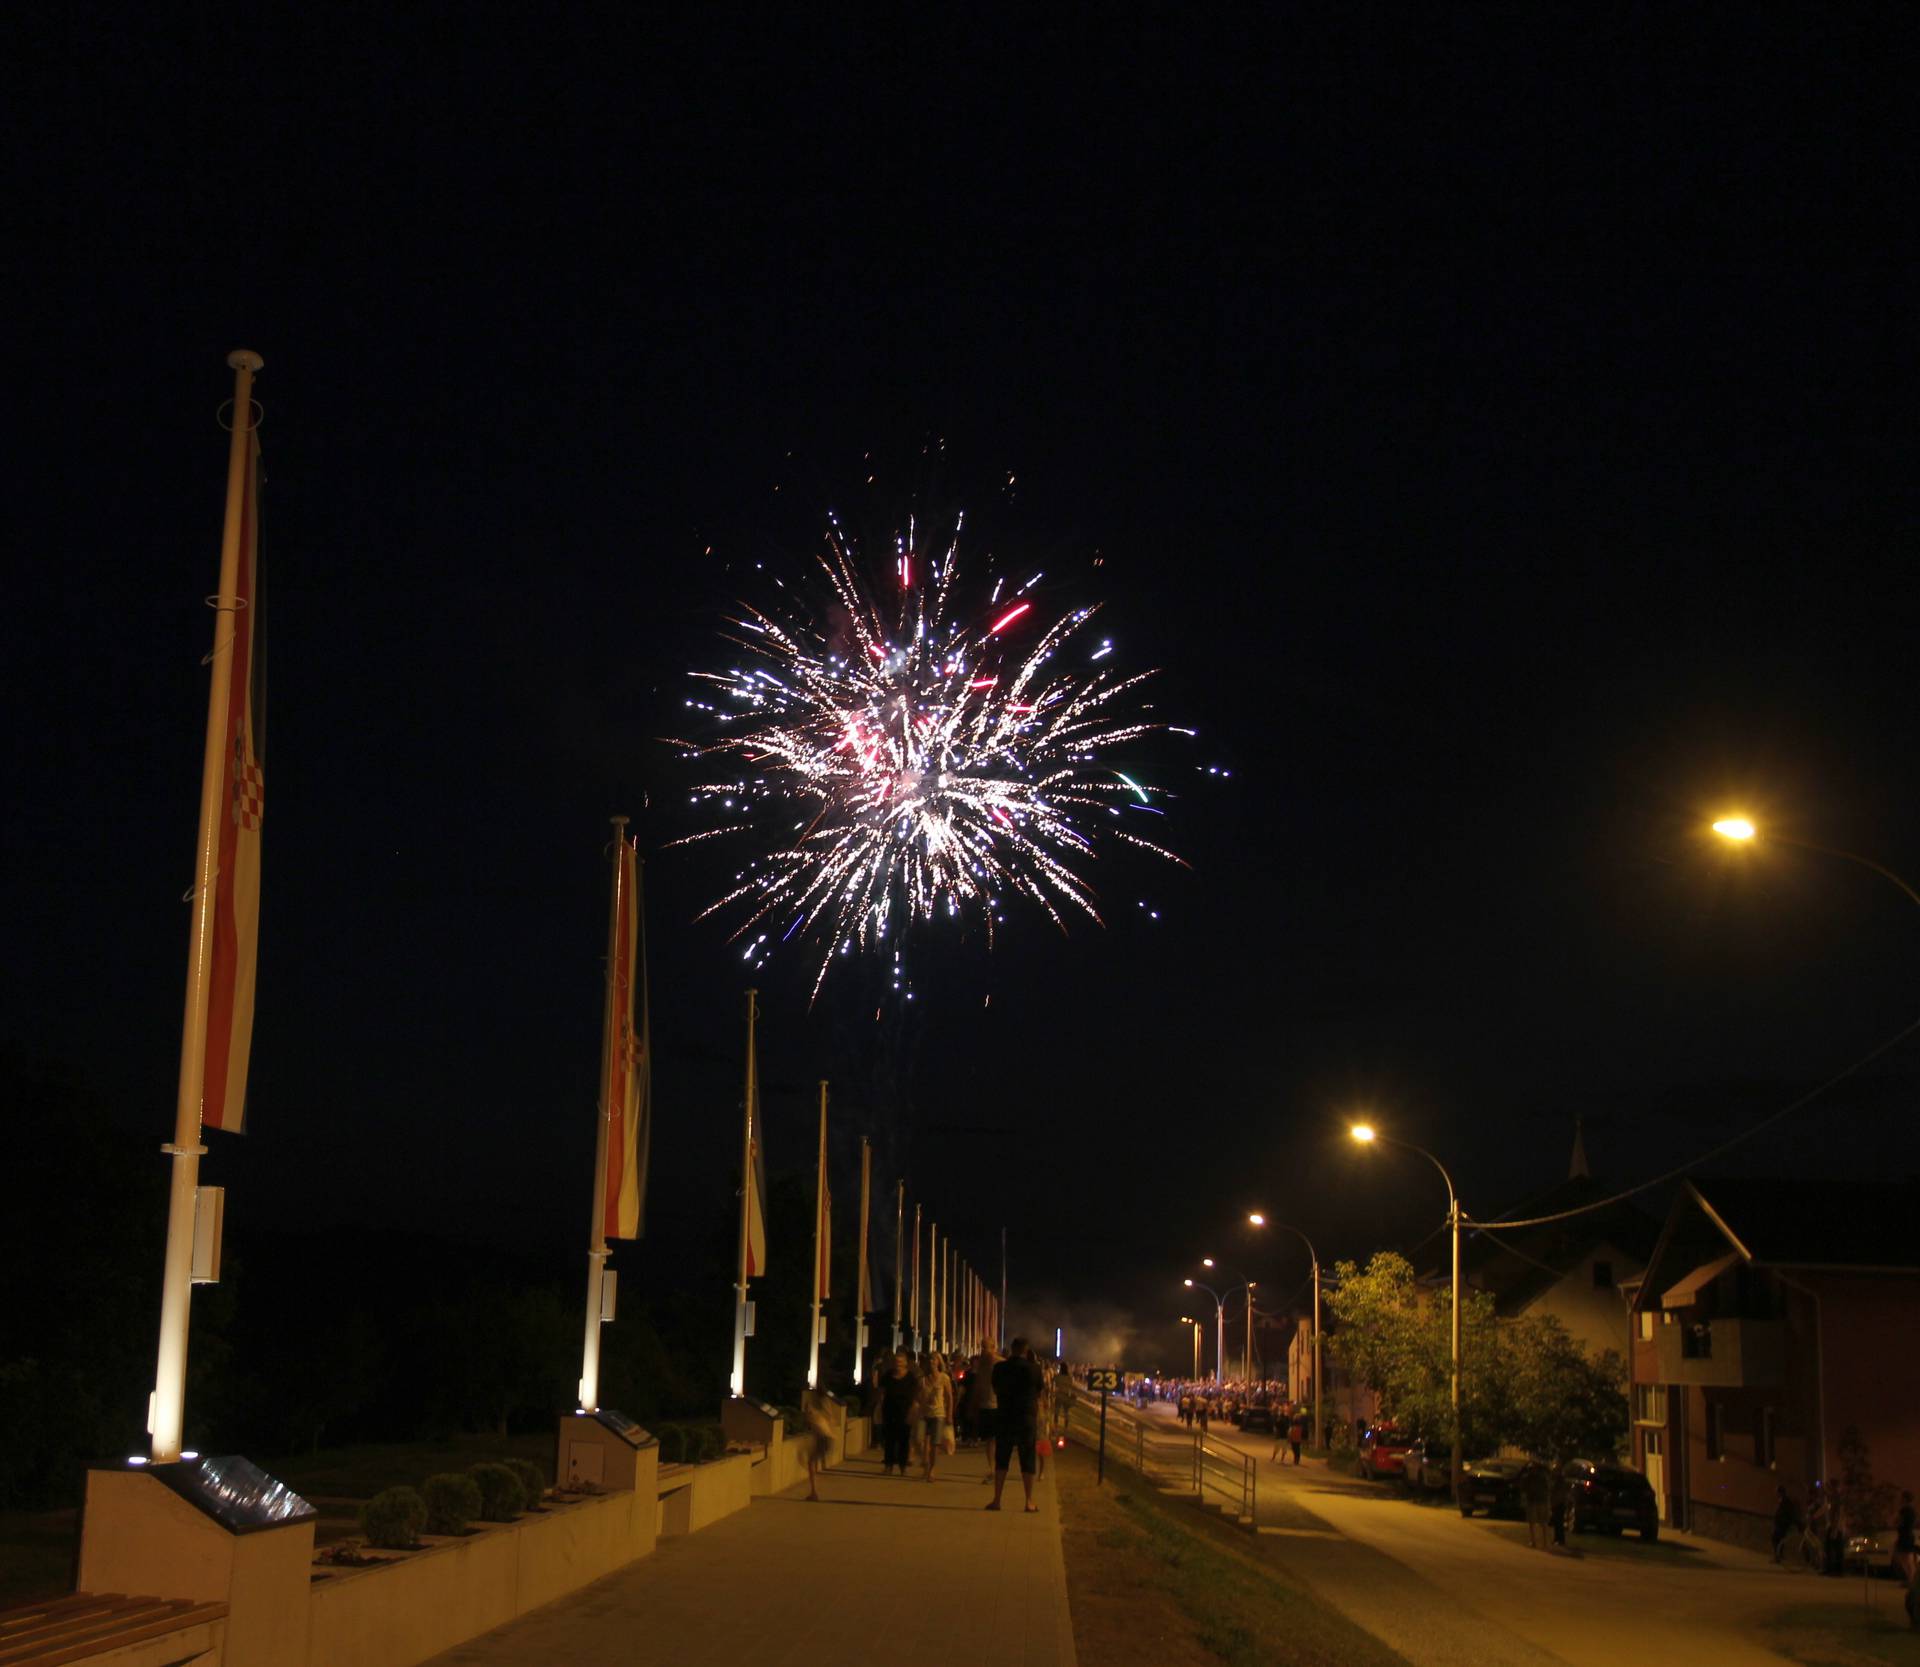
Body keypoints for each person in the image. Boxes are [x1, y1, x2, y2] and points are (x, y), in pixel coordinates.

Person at [986, 1337, 1046, 1513]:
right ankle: (1028, 1501)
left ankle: (997, 1500)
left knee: (1002, 1459)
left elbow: (995, 1389)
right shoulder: (1034, 1369)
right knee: (1027, 1459)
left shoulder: (999, 1368)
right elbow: (1038, 1392)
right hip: (1026, 1418)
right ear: (1026, 1351)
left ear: (1012, 1349)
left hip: (1004, 1416)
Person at [879, 1351, 917, 1475]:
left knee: (904, 1440)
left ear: (906, 1363)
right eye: (896, 1362)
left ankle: (903, 1466)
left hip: (905, 1412)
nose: (898, 1364)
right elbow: (882, 1392)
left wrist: (912, 1411)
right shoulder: (888, 1376)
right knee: (889, 1439)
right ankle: (888, 1465)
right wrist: (880, 1406)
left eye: (901, 1362)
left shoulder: (911, 1377)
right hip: (889, 1410)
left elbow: (914, 1396)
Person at [922, 1352, 956, 1482]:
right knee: (922, 1441)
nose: (932, 1362)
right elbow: (918, 1396)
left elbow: (949, 1397)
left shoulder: (944, 1378)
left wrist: (949, 1414)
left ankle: (932, 1469)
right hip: (925, 1413)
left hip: (939, 1413)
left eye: (934, 1360)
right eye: (930, 1360)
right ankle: (925, 1463)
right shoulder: (923, 1378)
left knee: (934, 1443)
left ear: (939, 1362)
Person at [799, 1382, 835, 1501]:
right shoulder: (825, 1405)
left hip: (822, 1438)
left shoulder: (812, 1407)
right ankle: (814, 1491)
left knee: (811, 1462)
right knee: (812, 1462)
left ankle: (814, 1492)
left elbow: (807, 1421)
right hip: (828, 1438)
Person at [1522, 1461, 1551, 1550]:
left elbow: (1547, 1488)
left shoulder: (1537, 1478)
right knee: (1534, 1522)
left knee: (1541, 1522)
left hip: (1538, 1500)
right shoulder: (1530, 1478)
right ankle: (1536, 1541)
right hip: (1534, 1500)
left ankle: (1543, 1542)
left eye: (1533, 1469)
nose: (1532, 1470)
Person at [1771, 1486, 1800, 1566]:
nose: (1776, 1494)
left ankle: (1778, 1556)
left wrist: (1786, 1522)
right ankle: (1778, 1556)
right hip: (1780, 1523)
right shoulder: (1782, 1500)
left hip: (1783, 1524)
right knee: (1777, 1539)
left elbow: (1787, 1513)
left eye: (1777, 1492)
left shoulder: (1786, 1501)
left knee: (1777, 1538)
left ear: (1781, 1492)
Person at [1895, 1490, 1917, 1585]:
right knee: (1906, 1559)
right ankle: (1911, 1579)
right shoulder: (1912, 1511)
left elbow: (1899, 1521)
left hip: (1905, 1536)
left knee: (1906, 1559)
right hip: (1908, 1535)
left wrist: (1897, 1523)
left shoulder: (1904, 1511)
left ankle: (1912, 1580)